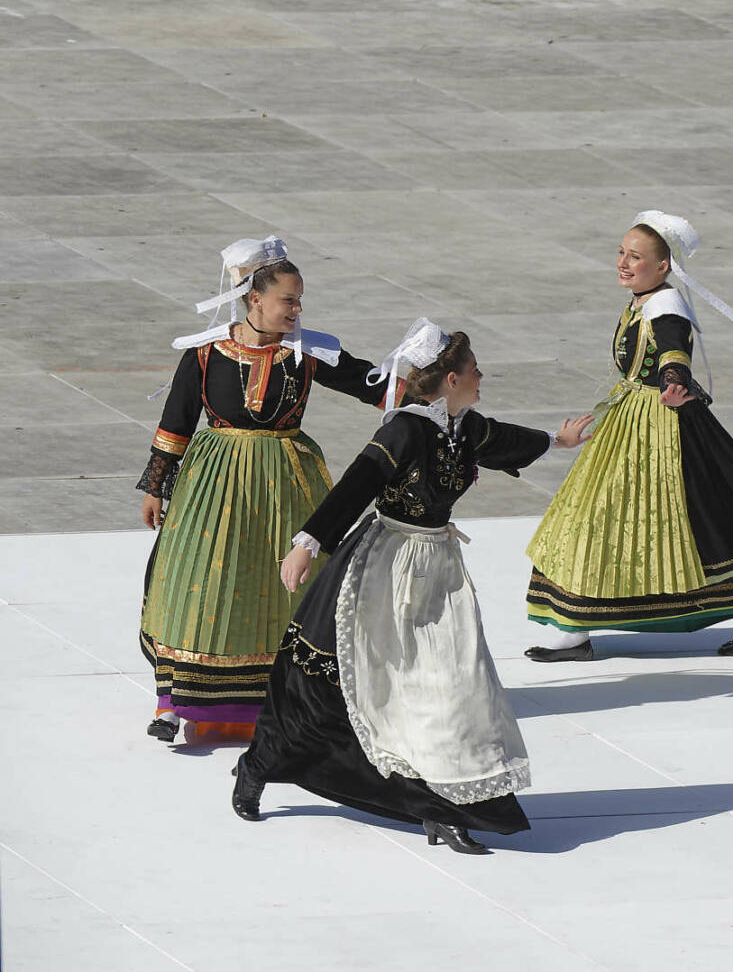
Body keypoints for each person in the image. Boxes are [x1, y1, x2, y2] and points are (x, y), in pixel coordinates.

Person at [232, 321, 592, 854]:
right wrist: (308, 542)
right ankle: (259, 765)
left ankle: (444, 806)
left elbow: (503, 439)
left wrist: (554, 441)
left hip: (438, 571)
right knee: (339, 687)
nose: (481, 376)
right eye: (474, 370)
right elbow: (358, 484)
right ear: (450, 379)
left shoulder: (462, 426)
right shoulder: (404, 429)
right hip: (386, 568)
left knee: (450, 687)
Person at [523, 210, 733, 661]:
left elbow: (673, 347)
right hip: (630, 419)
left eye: (636, 257)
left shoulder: (665, 307)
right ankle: (575, 628)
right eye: (621, 252)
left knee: (659, 521)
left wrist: (675, 377)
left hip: (662, 424)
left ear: (663, 267)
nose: (624, 262)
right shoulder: (641, 299)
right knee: (601, 519)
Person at [138, 237, 389, 744]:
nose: (297, 310)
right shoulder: (206, 353)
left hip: (285, 485)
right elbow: (175, 424)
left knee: (280, 589)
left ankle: (284, 700)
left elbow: (375, 384)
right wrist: (156, 487)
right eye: (288, 300)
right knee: (199, 583)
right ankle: (174, 705)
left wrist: (429, 386)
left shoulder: (310, 352)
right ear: (255, 299)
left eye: (299, 301)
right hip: (214, 484)